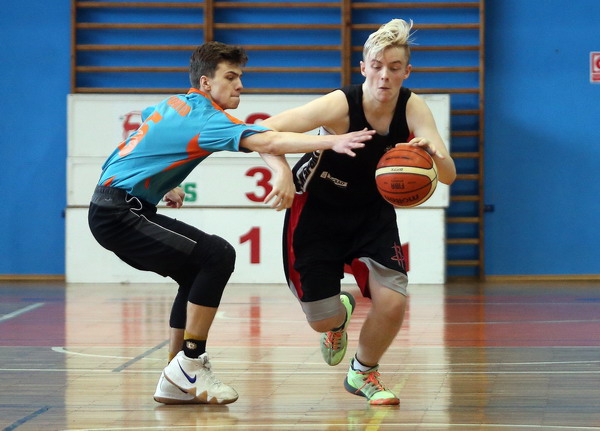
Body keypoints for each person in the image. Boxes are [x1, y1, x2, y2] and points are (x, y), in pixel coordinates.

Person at [88, 41, 375, 406]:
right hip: (120, 213)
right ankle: (190, 364)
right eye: (230, 77)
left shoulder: (176, 104)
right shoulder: (206, 118)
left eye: (240, 76)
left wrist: (162, 182)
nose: (240, 84)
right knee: (217, 255)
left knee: (194, 272)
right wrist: (334, 141)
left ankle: (176, 375)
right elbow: (269, 139)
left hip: (115, 206)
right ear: (206, 83)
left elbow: (142, 138)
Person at [262, 19, 456, 405]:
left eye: (395, 67)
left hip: (372, 213)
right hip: (317, 211)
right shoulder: (340, 104)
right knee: (321, 319)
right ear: (364, 67)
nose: (385, 76)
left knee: (394, 300)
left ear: (407, 71)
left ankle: (363, 372)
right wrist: (282, 171)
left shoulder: (413, 107)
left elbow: (449, 175)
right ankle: (338, 319)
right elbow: (264, 131)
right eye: (378, 66)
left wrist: (435, 155)